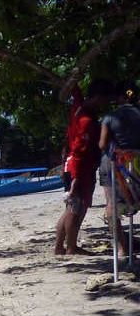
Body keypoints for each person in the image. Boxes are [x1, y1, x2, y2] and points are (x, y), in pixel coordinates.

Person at [54, 79, 113, 255]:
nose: (105, 104)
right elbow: (80, 151)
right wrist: (77, 179)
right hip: (79, 167)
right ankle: (71, 247)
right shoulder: (86, 120)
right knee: (76, 208)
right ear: (97, 97)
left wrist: (74, 81)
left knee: (70, 207)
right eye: (105, 100)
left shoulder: (78, 107)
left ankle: (59, 247)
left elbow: (76, 94)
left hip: (71, 164)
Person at [98, 81, 140, 256]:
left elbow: (102, 144)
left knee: (111, 205)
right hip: (138, 160)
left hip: (116, 163)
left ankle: (121, 249)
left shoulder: (109, 117)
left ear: (120, 98)